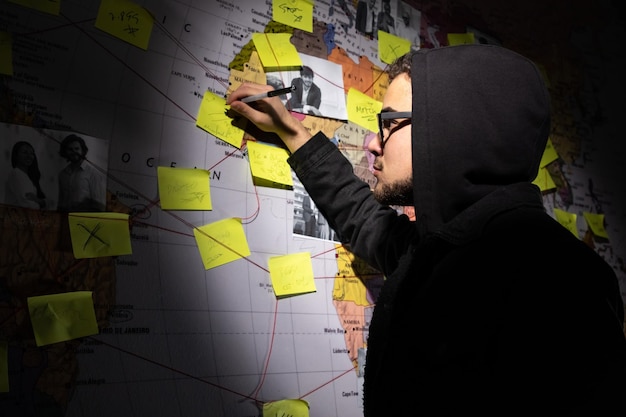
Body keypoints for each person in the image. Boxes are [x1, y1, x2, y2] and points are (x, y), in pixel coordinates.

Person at [227, 44, 626, 415]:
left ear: (450, 131)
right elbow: (365, 219)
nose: (371, 143)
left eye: (388, 123)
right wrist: (292, 131)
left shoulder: (563, 286)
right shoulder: (445, 251)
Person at [57, 134, 106, 212]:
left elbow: (99, 206)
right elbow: (61, 203)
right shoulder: (62, 174)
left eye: (77, 148)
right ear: (65, 152)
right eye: (70, 149)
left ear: (82, 150)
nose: (74, 152)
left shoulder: (93, 173)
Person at [5, 141, 47, 209]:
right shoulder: (16, 174)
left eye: (32, 153)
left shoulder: (28, 176)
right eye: (24, 152)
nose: (29, 156)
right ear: (16, 155)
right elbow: (29, 205)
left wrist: (38, 200)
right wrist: (42, 202)